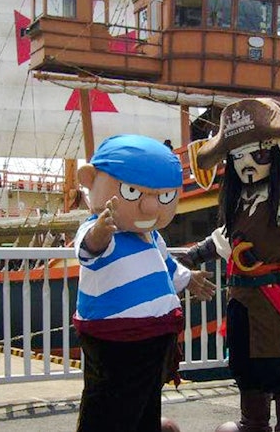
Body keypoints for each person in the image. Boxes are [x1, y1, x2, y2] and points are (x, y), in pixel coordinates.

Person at [181, 98, 280, 432]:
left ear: (278, 155)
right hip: (241, 301)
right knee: (246, 364)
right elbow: (224, 240)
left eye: (259, 155)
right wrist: (193, 256)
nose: (247, 165)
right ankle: (253, 423)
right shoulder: (239, 202)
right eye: (237, 158)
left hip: (272, 300)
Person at [73, 134, 217, 432]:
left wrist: (188, 279)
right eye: (131, 191)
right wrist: (101, 230)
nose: (151, 208)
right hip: (118, 339)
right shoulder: (99, 229)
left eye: (164, 197)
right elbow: (89, 249)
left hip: (153, 337)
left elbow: (165, 265)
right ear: (90, 179)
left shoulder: (151, 236)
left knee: (145, 400)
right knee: (111, 404)